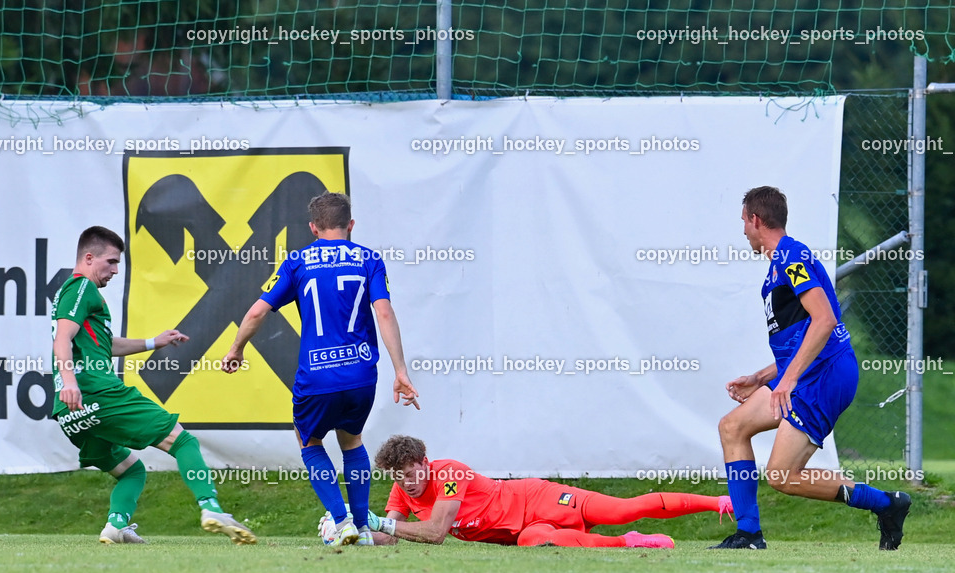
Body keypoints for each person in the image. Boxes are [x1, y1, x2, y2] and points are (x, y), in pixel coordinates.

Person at [712, 186, 910, 550]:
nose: (742, 230)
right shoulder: (777, 266)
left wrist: (787, 380)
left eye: (743, 221)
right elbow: (803, 339)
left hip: (825, 376)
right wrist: (761, 377)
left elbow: (824, 321)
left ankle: (888, 504)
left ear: (756, 220)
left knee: (782, 476)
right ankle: (748, 535)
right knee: (732, 427)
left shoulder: (791, 256)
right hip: (805, 375)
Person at [221, 192, 419, 547]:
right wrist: (400, 370)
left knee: (309, 440)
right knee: (352, 440)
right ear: (351, 225)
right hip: (361, 373)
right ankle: (361, 525)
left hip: (317, 373)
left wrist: (237, 349)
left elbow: (256, 312)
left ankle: (341, 521)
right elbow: (384, 313)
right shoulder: (369, 259)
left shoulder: (297, 262)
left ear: (313, 228)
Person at [52, 226, 256, 545]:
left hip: (70, 413)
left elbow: (105, 345)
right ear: (88, 258)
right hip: (95, 392)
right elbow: (61, 337)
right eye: (111, 262)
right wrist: (69, 381)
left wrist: (153, 342)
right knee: (183, 441)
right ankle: (211, 507)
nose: (115, 270)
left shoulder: (78, 296)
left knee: (132, 472)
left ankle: (116, 526)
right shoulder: (80, 288)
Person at [342, 434, 733, 548]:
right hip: (519, 531)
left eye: (411, 473)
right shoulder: (401, 491)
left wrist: (380, 525)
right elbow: (389, 537)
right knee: (538, 544)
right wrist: (355, 532)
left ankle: (717, 501)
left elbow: (435, 533)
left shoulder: (448, 473)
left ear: (425, 462)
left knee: (620, 509)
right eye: (399, 477)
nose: (408, 483)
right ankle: (629, 544)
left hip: (535, 498)